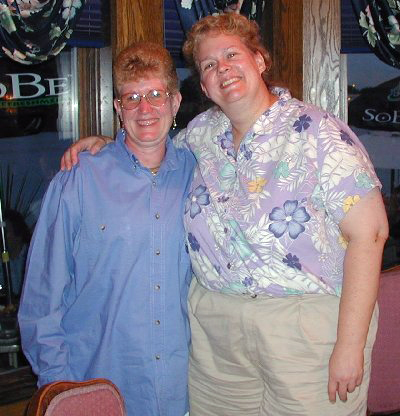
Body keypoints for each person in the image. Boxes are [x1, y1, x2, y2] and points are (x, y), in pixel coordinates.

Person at [61, 13, 389, 416]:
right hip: (216, 338)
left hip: (304, 330)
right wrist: (106, 145)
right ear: (203, 85)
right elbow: (149, 145)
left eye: (232, 55)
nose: (223, 69)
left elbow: (370, 234)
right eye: (209, 64)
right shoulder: (200, 136)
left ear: (260, 60)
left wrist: (350, 346)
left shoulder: (318, 132)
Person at [18, 41, 195, 416]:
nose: (144, 108)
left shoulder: (199, 174)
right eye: (132, 98)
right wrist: (60, 386)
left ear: (175, 102)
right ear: (118, 108)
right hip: (98, 387)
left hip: (183, 392)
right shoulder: (79, 178)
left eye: (155, 94)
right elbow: (41, 298)